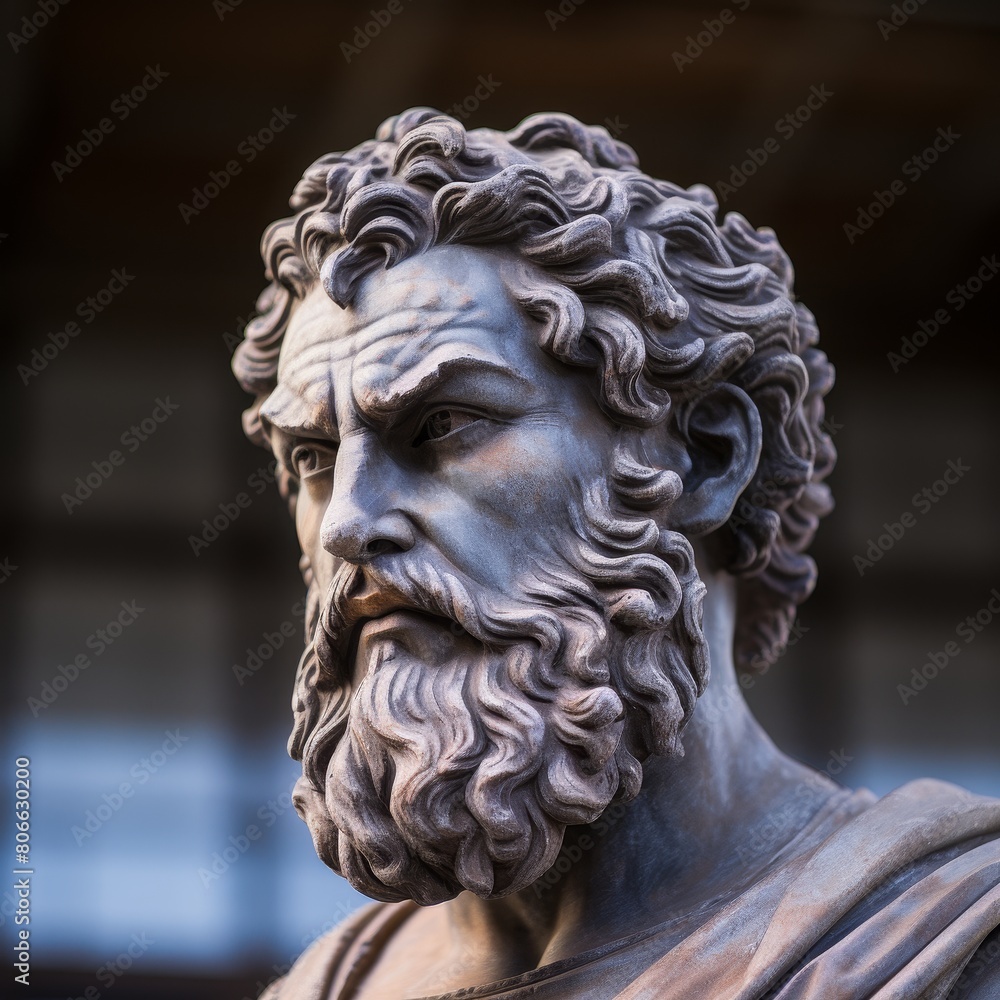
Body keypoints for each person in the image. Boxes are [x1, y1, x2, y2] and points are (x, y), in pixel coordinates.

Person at [232, 109, 1000, 999]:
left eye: (442, 426)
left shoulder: (940, 942)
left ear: (704, 457)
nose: (347, 525)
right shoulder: (328, 986)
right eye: (317, 461)